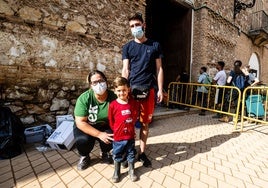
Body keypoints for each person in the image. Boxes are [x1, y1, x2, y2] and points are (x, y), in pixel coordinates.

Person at [122, 12, 164, 167]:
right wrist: (123, 90)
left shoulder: (154, 45)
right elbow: (125, 70)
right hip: (132, 91)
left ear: (144, 25)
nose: (135, 28)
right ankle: (130, 151)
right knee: (129, 123)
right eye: (132, 26)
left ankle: (142, 153)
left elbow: (159, 69)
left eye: (137, 25)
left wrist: (160, 89)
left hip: (149, 90)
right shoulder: (127, 47)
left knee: (145, 123)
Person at [73, 70, 117, 171]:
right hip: (87, 125)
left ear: (106, 81)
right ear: (90, 85)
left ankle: (105, 152)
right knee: (82, 141)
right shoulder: (84, 98)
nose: (99, 84)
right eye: (95, 82)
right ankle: (84, 156)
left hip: (104, 125)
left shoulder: (113, 97)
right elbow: (80, 122)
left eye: (101, 81)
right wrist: (99, 134)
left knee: (112, 136)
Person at [108, 76, 138, 183]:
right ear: (115, 91)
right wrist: (116, 130)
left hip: (130, 135)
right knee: (117, 153)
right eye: (119, 90)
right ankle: (117, 172)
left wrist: (131, 126)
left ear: (128, 89)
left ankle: (131, 170)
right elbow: (111, 121)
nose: (122, 93)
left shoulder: (132, 103)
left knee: (131, 153)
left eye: (124, 90)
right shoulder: (113, 105)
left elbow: (134, 115)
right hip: (118, 136)